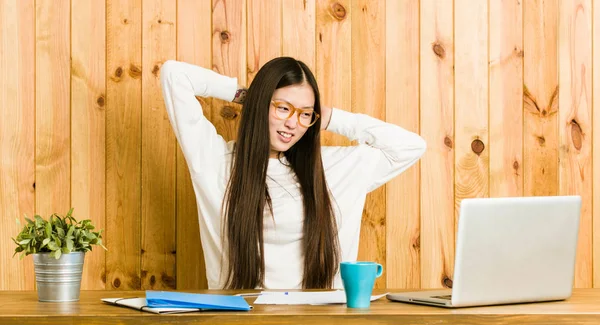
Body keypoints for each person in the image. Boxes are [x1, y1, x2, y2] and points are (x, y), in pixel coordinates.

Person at [160, 57, 426, 290]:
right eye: (283, 108)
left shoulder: (332, 169)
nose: (292, 123)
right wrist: (248, 96)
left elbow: (410, 146)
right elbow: (174, 74)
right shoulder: (215, 163)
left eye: (304, 114)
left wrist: (328, 115)